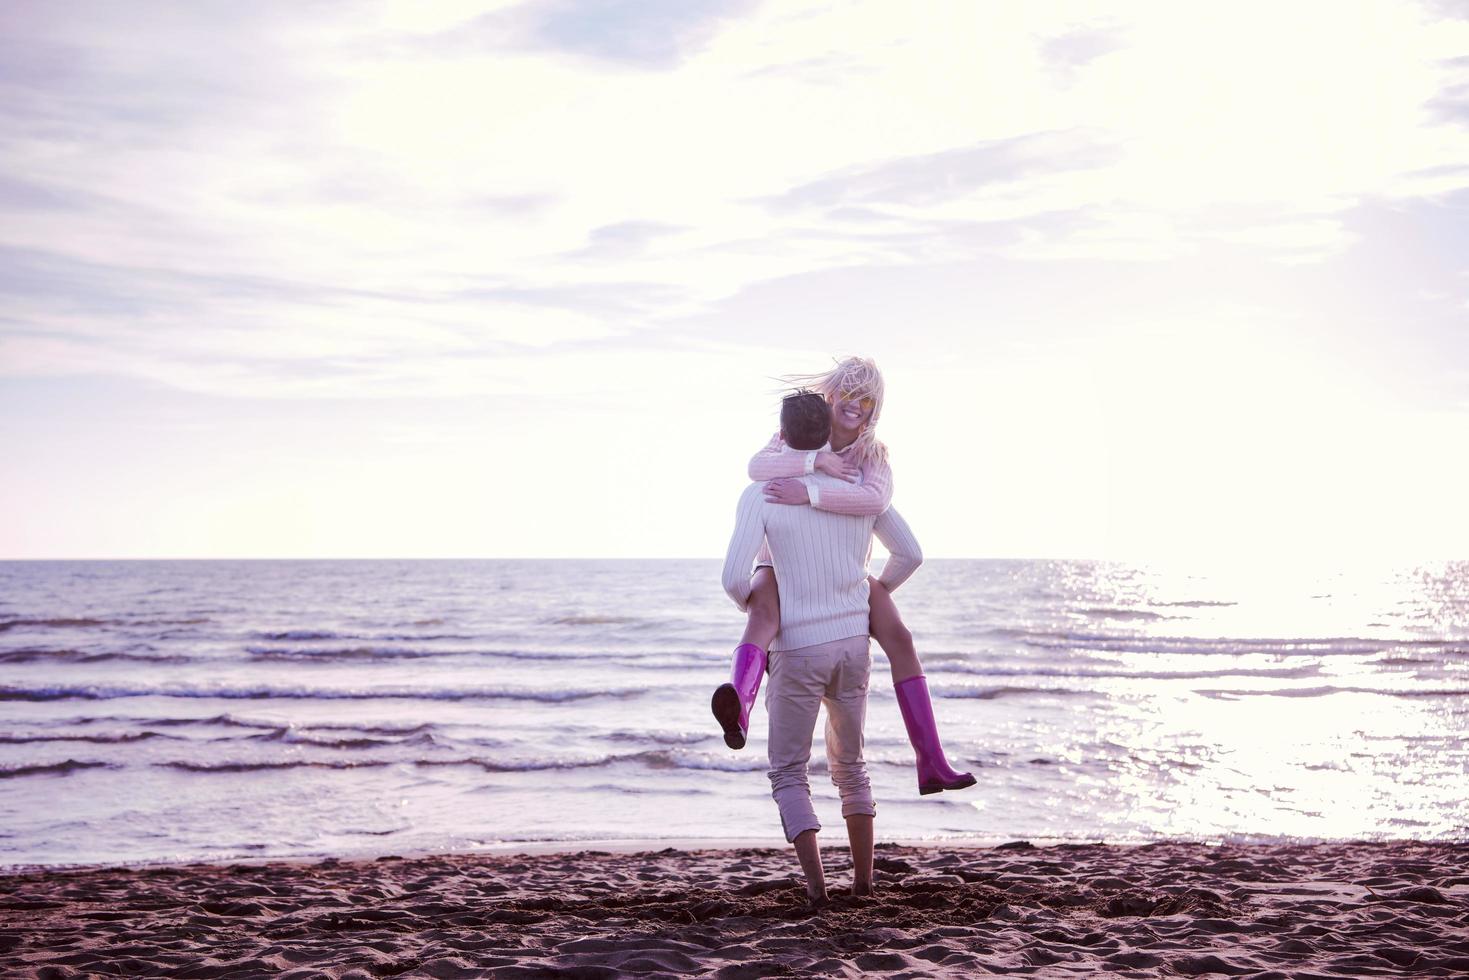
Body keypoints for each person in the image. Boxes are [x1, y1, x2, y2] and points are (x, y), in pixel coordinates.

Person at [711, 357, 974, 796]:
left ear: (875, 408)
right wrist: (814, 462)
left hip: (847, 574)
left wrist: (868, 591)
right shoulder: (790, 442)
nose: (855, 405)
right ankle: (740, 707)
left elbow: (875, 499)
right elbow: (756, 470)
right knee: (760, 618)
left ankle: (932, 761)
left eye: (865, 398)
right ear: (829, 397)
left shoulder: (872, 455)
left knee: (902, 640)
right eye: (846, 394)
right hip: (779, 560)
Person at [720, 390, 921, 906]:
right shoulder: (857, 487)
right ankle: (863, 884)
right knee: (850, 765)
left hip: (798, 648)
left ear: (783, 437)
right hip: (853, 645)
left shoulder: (764, 492)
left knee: (789, 770)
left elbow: (731, 577)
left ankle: (817, 892)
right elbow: (911, 554)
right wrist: (870, 590)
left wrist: (760, 603)